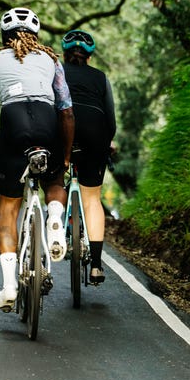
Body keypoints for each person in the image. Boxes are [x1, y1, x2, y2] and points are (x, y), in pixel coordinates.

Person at [0, 7, 75, 312]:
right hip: (47, 121)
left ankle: (8, 286)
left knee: (8, 209)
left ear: (4, 37)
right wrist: (65, 157)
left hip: (12, 125)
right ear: (36, 35)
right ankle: (55, 220)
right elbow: (67, 111)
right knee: (54, 180)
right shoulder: (52, 61)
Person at [59, 29, 116, 284]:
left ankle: (53, 235)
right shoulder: (101, 78)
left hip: (62, 132)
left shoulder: (55, 71)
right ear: (89, 57)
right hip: (96, 135)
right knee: (92, 198)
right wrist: (108, 141)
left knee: (53, 183)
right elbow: (110, 119)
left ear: (64, 53)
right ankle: (95, 265)